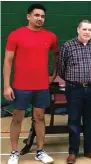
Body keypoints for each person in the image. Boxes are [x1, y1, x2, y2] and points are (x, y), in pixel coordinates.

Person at [3, 4, 59, 164]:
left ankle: (40, 151)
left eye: (42, 16)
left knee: (40, 117)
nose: (40, 18)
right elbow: (7, 61)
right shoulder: (15, 35)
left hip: (41, 86)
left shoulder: (50, 36)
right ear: (28, 16)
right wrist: (7, 86)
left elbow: (56, 55)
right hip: (20, 86)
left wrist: (53, 74)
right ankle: (14, 152)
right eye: (36, 15)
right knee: (17, 118)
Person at [58, 19, 91, 164]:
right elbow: (61, 69)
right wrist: (73, 81)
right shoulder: (67, 46)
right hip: (74, 88)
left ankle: (90, 150)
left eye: (89, 30)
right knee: (74, 121)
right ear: (78, 30)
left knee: (90, 120)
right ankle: (73, 152)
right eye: (84, 29)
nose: (87, 32)